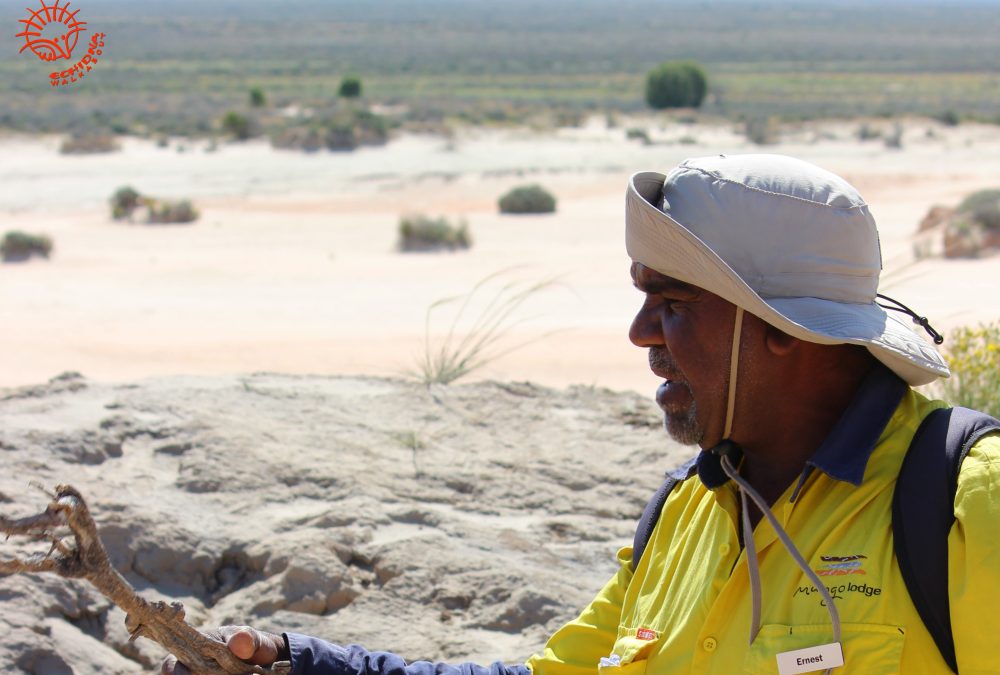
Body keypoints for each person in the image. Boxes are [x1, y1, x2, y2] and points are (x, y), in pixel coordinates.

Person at [163, 154, 1000, 674]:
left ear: (782, 331)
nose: (641, 334)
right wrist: (306, 665)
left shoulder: (963, 505)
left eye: (672, 304)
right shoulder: (686, 514)